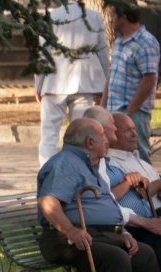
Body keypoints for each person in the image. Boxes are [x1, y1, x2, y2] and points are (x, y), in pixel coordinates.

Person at [37, 117, 161, 272]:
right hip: (67, 240)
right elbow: (48, 203)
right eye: (104, 136)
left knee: (144, 254)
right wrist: (72, 231)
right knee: (116, 258)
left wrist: (124, 233)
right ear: (90, 142)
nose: (108, 140)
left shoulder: (92, 166)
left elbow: (109, 208)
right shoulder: (65, 164)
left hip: (100, 234)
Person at [35, 1, 109, 166]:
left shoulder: (50, 17)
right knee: (81, 136)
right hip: (84, 83)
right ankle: (79, 175)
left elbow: (42, 54)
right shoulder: (94, 17)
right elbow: (102, 52)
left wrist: (38, 85)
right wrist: (104, 83)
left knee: (49, 135)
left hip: (54, 82)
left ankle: (48, 175)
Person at [101, 0, 160, 162]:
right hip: (114, 113)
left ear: (123, 17)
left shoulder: (146, 42)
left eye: (113, 15)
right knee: (116, 159)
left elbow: (149, 79)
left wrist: (130, 112)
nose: (111, 19)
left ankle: (147, 187)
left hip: (134, 115)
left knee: (139, 158)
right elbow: (111, 76)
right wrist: (102, 108)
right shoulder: (120, 41)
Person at [107, 112, 161, 213]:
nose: (134, 135)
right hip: (152, 219)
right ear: (112, 134)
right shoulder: (111, 164)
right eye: (128, 130)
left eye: (134, 129)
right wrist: (159, 183)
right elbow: (139, 196)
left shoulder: (137, 159)